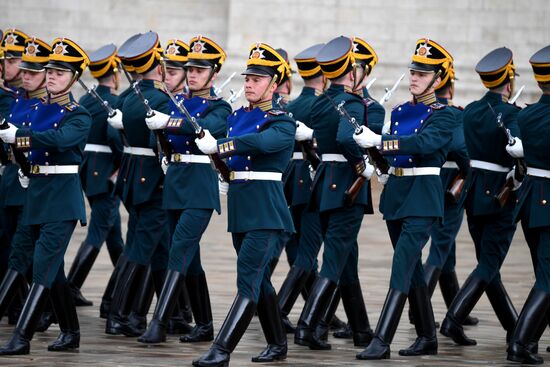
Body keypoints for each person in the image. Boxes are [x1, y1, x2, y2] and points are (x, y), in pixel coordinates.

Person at [192, 42, 295, 366]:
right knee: (259, 279)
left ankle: (221, 350)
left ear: (274, 85)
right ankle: (278, 344)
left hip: (267, 215)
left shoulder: (282, 121)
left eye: (257, 79)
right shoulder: (237, 117)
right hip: (241, 213)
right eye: (247, 78)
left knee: (247, 279)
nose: (249, 84)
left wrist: (220, 145)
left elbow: (262, 143)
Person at [354, 38, 455, 359]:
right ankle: (428, 336)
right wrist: (377, 160)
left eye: (423, 74)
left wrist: (381, 141)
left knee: (401, 264)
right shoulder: (399, 111)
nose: (414, 78)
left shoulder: (446, 114)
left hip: (423, 198)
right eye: (413, 72)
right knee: (410, 269)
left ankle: (381, 340)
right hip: (397, 196)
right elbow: (393, 154)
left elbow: (425, 143)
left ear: (439, 80)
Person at [0, 36, 91, 355]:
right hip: (35, 195)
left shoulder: (78, 115)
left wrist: (19, 137)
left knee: (43, 265)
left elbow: (58, 140)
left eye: (60, 73)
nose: (51, 76)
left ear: (74, 78)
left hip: (61, 201)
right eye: (49, 71)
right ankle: (71, 332)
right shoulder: (35, 109)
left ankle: (21, 338)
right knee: (29, 260)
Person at [138, 35, 231, 344]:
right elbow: (161, 138)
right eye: (189, 69)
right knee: (189, 257)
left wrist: (169, 122)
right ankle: (204, 324)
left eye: (199, 70)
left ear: (214, 73)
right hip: (176, 183)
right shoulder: (176, 102)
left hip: (200, 187)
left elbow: (204, 127)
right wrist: (159, 134)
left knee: (178, 249)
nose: (192, 74)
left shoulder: (220, 106)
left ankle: (159, 322)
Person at [293, 36, 375, 351]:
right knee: (333, 260)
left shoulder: (321, 101)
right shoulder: (353, 103)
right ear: (351, 71)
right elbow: (345, 138)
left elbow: (318, 138)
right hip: (346, 185)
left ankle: (361, 330)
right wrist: (360, 166)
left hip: (325, 182)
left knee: (345, 259)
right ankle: (307, 326)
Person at [440, 47, 520, 346]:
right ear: (508, 81)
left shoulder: (471, 109)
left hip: (473, 193)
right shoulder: (512, 113)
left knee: (488, 263)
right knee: (489, 263)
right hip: (501, 193)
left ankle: (515, 329)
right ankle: (453, 320)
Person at [104, 31, 171, 337]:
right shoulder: (159, 99)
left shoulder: (129, 97)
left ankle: (141, 315)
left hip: (132, 177)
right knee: (140, 249)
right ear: (158, 66)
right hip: (153, 180)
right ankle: (118, 314)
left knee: (147, 246)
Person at [0, 36, 50, 324]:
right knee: (15, 245)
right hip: (11, 178)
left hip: (34, 182)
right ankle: (40, 306)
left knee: (26, 249)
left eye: (33, 71)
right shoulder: (17, 100)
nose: (26, 75)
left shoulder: (47, 106)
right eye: (25, 70)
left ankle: (36, 308)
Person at [70, 43, 124, 307]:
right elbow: (115, 136)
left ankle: (122, 286)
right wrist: (123, 160)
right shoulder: (113, 102)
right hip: (106, 172)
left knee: (113, 233)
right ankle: (71, 286)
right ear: (114, 75)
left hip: (86, 169)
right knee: (98, 231)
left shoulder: (86, 99)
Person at [505, 44, 550, 365]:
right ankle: (521, 342)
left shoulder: (529, 114)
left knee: (544, 272)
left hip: (532, 198)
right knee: (548, 278)